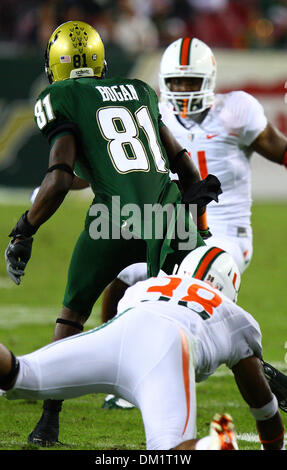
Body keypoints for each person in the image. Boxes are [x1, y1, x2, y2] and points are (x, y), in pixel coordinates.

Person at [4, 22, 224, 446]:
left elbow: (58, 178)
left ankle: (48, 422)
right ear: (101, 62)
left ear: (55, 67)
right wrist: (197, 222)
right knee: (200, 312)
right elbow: (179, 159)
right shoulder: (139, 90)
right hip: (168, 214)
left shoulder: (61, 97)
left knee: (71, 315)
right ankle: (259, 381)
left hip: (113, 220)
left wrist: (24, 229)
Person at [0, 246, 285, 450]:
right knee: (169, 448)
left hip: (121, 330)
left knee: (20, 374)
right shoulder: (235, 316)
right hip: (169, 345)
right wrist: (274, 441)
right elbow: (261, 403)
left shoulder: (150, 285)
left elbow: (122, 291)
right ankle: (211, 446)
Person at [100, 36, 287, 323]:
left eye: (191, 82)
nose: (183, 90)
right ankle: (112, 344)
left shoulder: (235, 110)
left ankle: (233, 354)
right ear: (164, 82)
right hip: (177, 227)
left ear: (209, 81)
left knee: (195, 277)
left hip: (226, 232)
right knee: (124, 270)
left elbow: (280, 150)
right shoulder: (154, 115)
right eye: (176, 82)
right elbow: (116, 163)